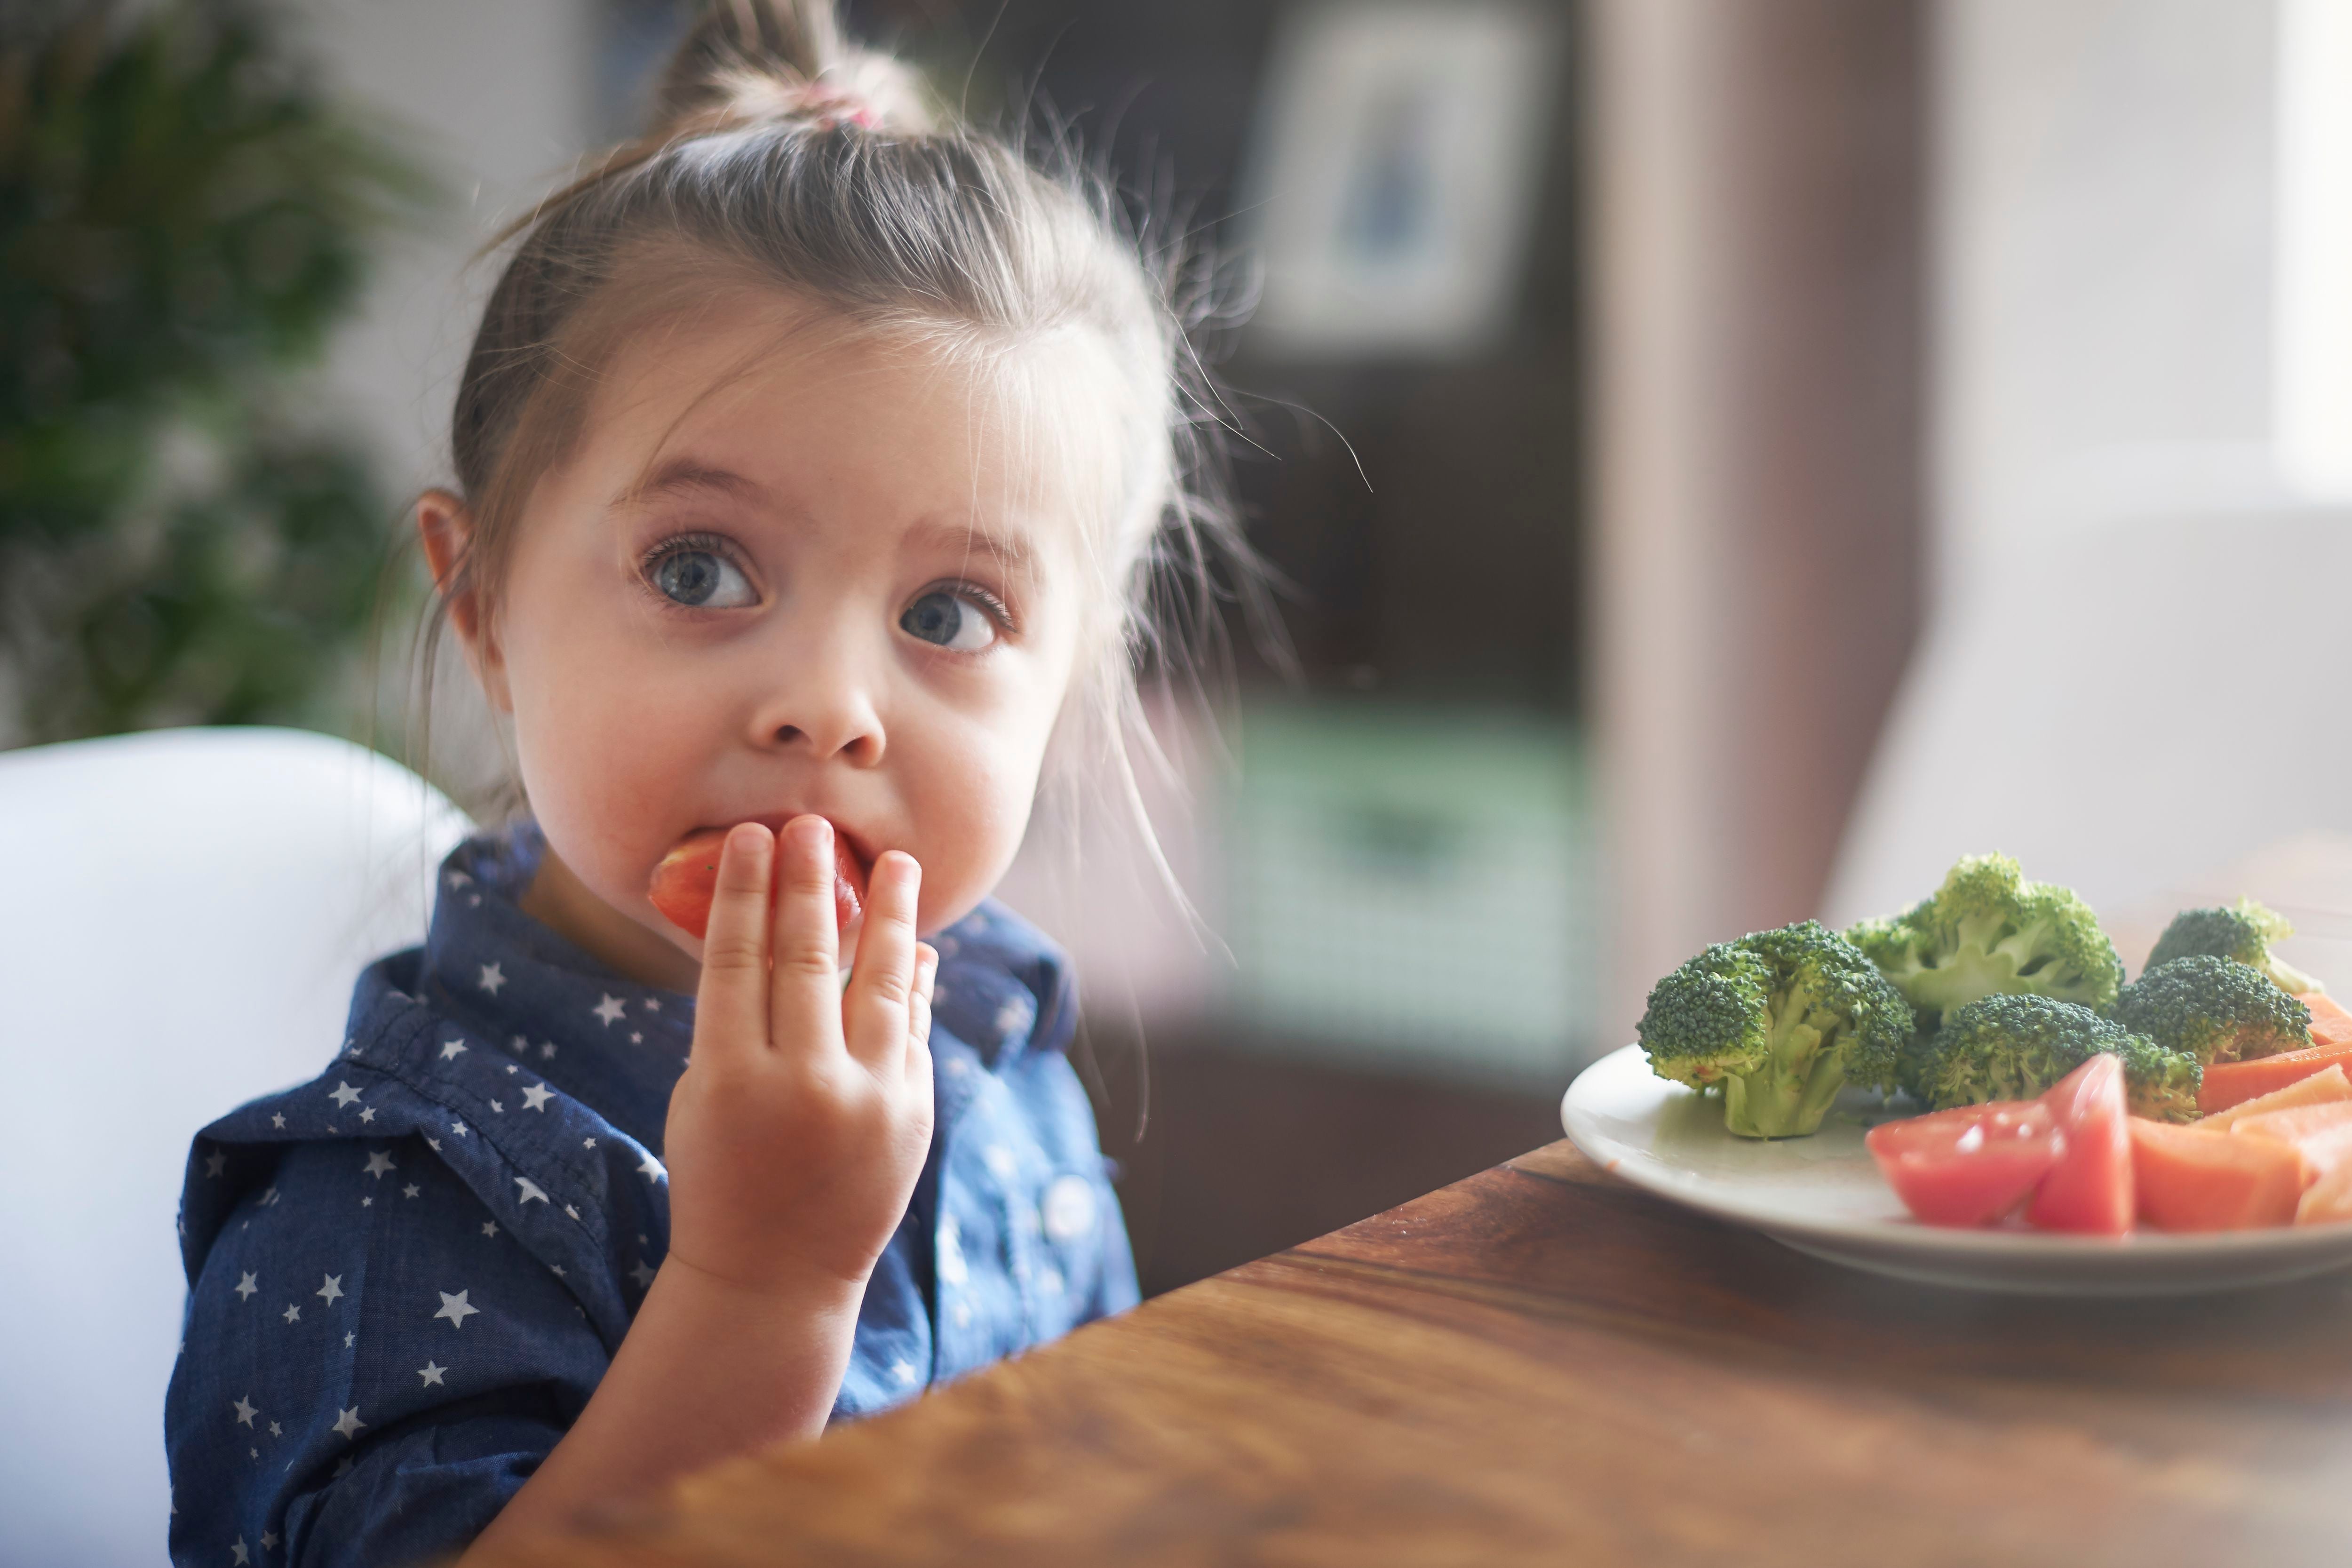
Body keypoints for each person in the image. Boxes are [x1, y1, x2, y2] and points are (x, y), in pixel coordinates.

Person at [163, 2, 1243, 1561]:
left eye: (949, 614)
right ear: (484, 614)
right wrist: (763, 1289)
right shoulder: (381, 1208)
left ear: (1069, 694)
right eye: (698, 568)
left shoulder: (996, 1042)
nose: (826, 707)